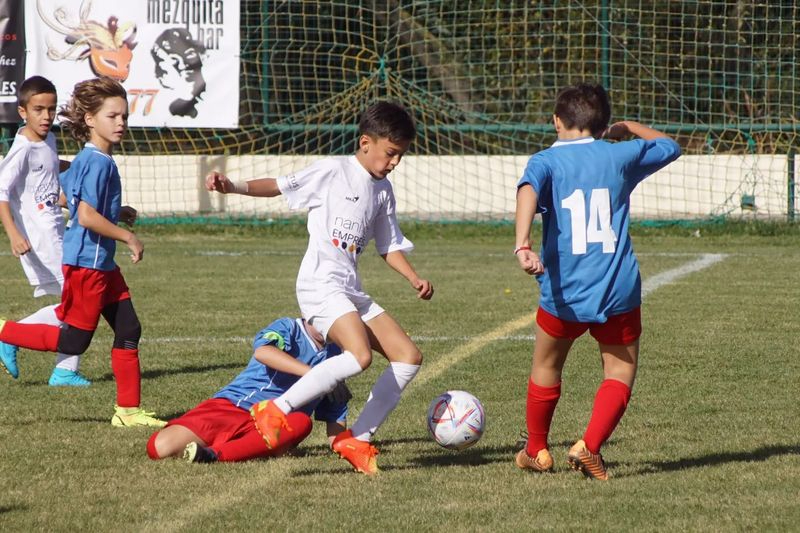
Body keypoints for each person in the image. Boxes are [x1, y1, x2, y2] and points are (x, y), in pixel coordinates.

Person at [205, 101, 433, 475]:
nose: (394, 162)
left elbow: (388, 245)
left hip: (349, 289)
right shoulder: (333, 171)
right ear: (366, 143)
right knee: (359, 356)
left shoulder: (383, 191)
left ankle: (356, 438)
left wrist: (413, 277)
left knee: (408, 357)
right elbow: (278, 186)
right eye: (391, 153)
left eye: (400, 156)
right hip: (319, 284)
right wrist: (232, 186)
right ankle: (275, 410)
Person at [513, 82, 681, 480]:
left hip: (565, 291)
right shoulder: (620, 154)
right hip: (617, 288)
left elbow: (528, 190)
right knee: (619, 371)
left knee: (547, 366)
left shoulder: (545, 161)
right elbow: (670, 146)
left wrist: (523, 244)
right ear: (604, 125)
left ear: (556, 121)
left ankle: (536, 450)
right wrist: (628, 127)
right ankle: (589, 446)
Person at [0, 77, 165, 428]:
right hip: (87, 264)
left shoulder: (88, 159)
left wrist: (116, 211)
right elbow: (87, 216)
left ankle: (128, 411)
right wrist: (128, 236)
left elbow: (70, 201)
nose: (121, 123)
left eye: (124, 116)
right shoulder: (98, 162)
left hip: (99, 262)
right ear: (90, 119)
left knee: (129, 328)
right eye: (112, 116)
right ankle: (4, 331)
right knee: (74, 340)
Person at [147, 317, 351, 463]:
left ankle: (214, 455)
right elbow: (263, 352)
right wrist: (315, 375)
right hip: (233, 406)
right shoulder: (288, 328)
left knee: (301, 423)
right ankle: (251, 448)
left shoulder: (338, 357)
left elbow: (336, 422)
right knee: (159, 448)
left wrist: (347, 446)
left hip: (273, 423)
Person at [0, 75, 92, 386]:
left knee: (77, 301)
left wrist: (75, 169)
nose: (46, 116)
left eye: (51, 109)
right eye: (38, 109)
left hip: (56, 230)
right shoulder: (23, 147)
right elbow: (1, 191)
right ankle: (13, 337)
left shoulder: (48, 140)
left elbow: (49, 178)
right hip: (39, 238)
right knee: (78, 301)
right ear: (23, 111)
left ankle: (61, 368)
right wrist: (13, 234)